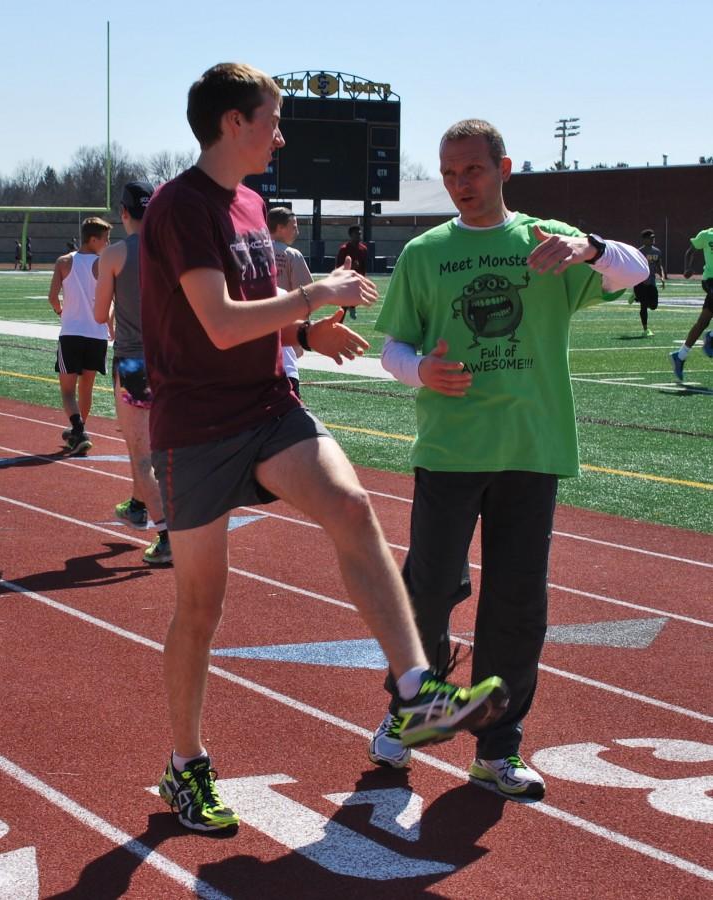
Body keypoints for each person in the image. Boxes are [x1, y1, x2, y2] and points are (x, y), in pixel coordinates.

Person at [139, 64, 509, 834]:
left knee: (350, 503)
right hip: (197, 426)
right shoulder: (180, 206)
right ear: (233, 122)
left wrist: (304, 332)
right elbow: (217, 322)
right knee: (201, 606)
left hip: (268, 405)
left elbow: (253, 312)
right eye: (272, 121)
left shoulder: (248, 204)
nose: (281, 136)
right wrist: (315, 297)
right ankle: (186, 764)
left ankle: (415, 690)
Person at [371, 118, 648, 799]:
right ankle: (408, 713)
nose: (461, 184)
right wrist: (419, 374)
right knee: (426, 590)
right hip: (451, 447)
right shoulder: (426, 252)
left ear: (504, 168)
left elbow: (636, 271)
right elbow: (393, 348)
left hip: (532, 448)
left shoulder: (546, 243)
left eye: (473, 170)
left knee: (517, 603)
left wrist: (586, 248)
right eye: (450, 174)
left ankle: (497, 749)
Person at [94, 181, 171, 566]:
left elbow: (98, 314)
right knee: (157, 443)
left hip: (132, 362)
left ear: (124, 213)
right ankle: (139, 505)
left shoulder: (113, 254)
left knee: (142, 451)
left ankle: (167, 534)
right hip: (172, 361)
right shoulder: (171, 251)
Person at [48, 217, 112, 454]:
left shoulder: (64, 262)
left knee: (67, 390)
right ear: (93, 239)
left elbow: (53, 297)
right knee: (86, 388)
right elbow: (111, 301)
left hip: (72, 333)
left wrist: (60, 312)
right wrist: (110, 325)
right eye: (105, 239)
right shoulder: (105, 264)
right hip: (97, 334)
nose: (108, 243)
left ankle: (78, 429)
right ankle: (78, 430)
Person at [267, 206, 316, 396]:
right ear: (279, 228)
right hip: (285, 331)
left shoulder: (250, 251)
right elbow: (307, 296)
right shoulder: (292, 255)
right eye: (293, 226)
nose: (297, 231)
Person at [669, 224, 713, 381]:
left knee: (702, 322)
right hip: (710, 280)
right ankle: (711, 338)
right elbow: (690, 251)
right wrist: (687, 267)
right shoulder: (706, 235)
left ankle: (680, 356)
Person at [630, 228, 665, 336]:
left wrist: (662, 277)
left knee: (653, 306)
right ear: (644, 239)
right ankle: (645, 329)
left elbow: (659, 265)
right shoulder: (638, 252)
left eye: (653, 238)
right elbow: (633, 267)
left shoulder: (657, 251)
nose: (653, 240)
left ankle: (636, 296)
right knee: (644, 305)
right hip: (640, 283)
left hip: (651, 282)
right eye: (650, 238)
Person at [335, 225, 368, 319]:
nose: (359, 235)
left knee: (355, 296)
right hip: (346, 278)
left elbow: (364, 266)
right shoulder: (344, 249)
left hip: (357, 279)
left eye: (360, 234)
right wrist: (350, 268)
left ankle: (352, 306)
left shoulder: (363, 249)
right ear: (351, 235)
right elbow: (339, 266)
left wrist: (363, 278)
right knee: (344, 302)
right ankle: (339, 321)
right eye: (356, 234)